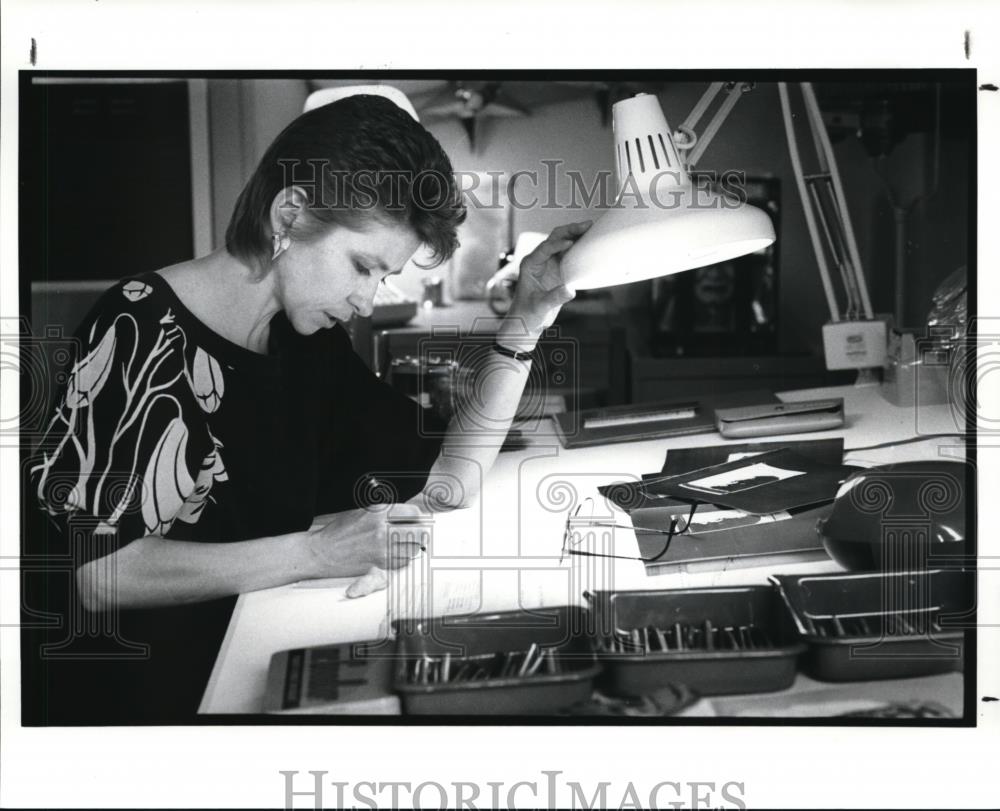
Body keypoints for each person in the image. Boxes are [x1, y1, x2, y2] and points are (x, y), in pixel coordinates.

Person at [22, 93, 591, 724]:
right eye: (362, 267)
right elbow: (97, 574)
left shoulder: (309, 342)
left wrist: (528, 319)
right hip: (148, 705)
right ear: (290, 215)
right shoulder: (136, 326)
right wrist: (314, 553)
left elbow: (450, 481)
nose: (369, 301)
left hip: (260, 656)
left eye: (382, 277)